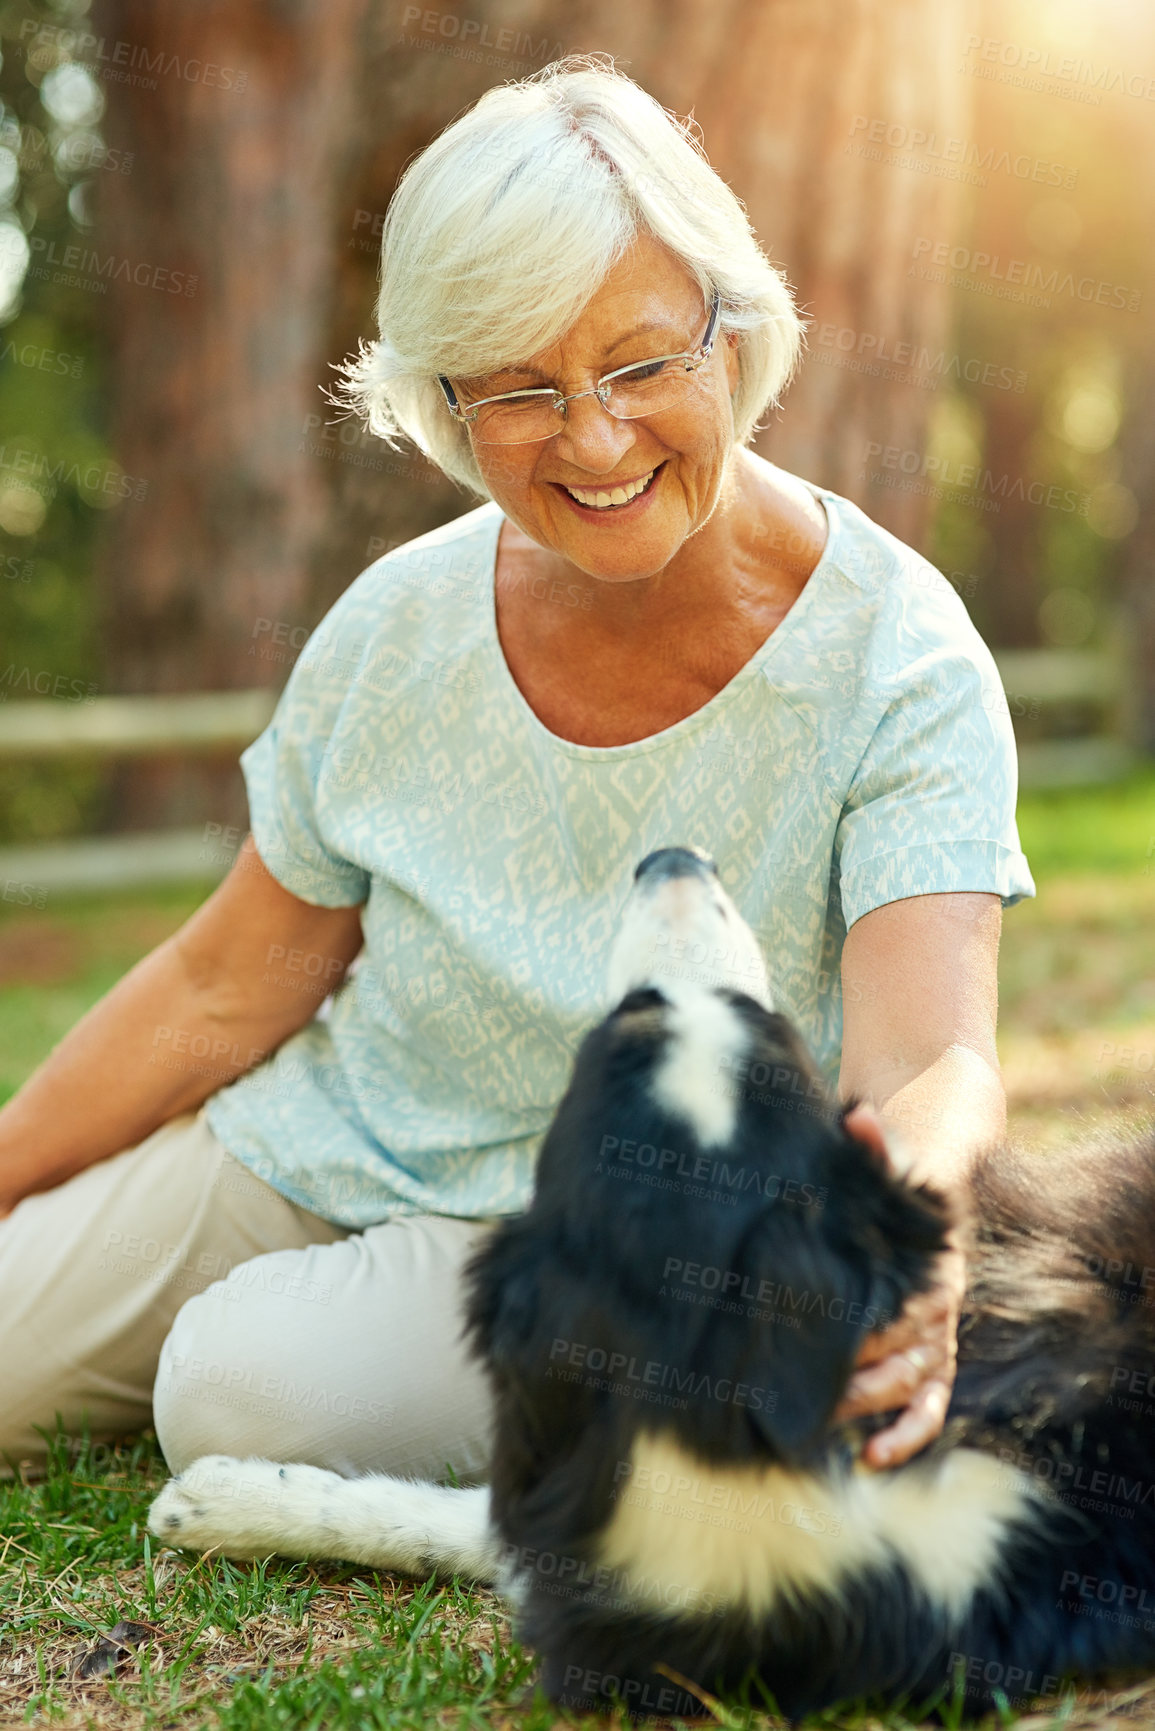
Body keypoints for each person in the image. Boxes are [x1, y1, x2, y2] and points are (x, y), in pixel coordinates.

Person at [0, 56, 1033, 1486]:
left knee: (238, 1396)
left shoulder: (899, 659)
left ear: (731, 335)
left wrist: (901, 1233)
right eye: (522, 388)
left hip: (613, 1239)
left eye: (641, 363)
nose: (596, 437)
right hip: (323, 1143)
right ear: (447, 403)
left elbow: (929, 1063)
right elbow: (223, 981)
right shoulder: (395, 624)